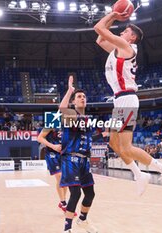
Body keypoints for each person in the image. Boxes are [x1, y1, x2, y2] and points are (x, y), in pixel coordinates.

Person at [94, 11, 162, 196]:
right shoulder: (117, 49)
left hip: (126, 99)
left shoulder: (125, 47)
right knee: (114, 144)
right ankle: (139, 175)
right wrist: (113, 17)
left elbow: (98, 28)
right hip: (119, 100)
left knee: (127, 147)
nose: (122, 32)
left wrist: (114, 13)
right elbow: (100, 39)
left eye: (125, 31)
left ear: (132, 38)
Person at [59, 76, 97, 233]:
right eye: (79, 97)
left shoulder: (87, 119)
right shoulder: (70, 114)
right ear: (74, 102)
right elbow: (61, 108)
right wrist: (70, 91)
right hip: (71, 159)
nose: (82, 98)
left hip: (84, 161)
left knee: (90, 193)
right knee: (75, 193)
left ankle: (82, 220)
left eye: (84, 97)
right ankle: (67, 228)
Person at [37, 128, 69, 213]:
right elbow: (39, 138)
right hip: (52, 153)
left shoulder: (69, 122)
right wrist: (53, 146)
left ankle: (62, 200)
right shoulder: (51, 120)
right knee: (59, 176)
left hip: (64, 153)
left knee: (64, 179)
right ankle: (63, 203)